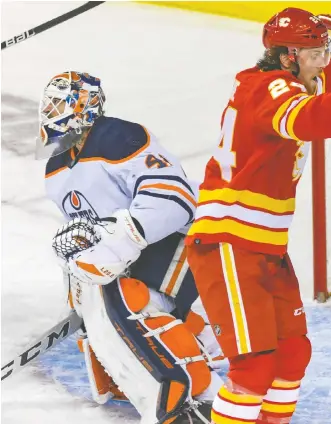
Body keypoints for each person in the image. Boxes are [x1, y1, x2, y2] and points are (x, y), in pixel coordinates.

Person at [184, 7, 331, 424]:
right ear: (288, 56)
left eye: (325, 50)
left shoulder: (292, 78)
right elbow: (307, 118)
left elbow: (330, 79)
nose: (323, 61)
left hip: (264, 246)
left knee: (292, 355)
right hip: (230, 244)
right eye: (315, 54)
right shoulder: (268, 88)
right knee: (253, 369)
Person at [40, 71, 224, 423]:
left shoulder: (119, 137)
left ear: (84, 107)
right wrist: (80, 297)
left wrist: (121, 238)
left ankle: (196, 393)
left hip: (188, 246)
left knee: (122, 297)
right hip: (138, 262)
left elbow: (175, 198)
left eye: (59, 103)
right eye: (48, 103)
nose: (50, 111)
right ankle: (179, 367)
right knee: (103, 299)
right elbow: (87, 239)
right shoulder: (55, 169)